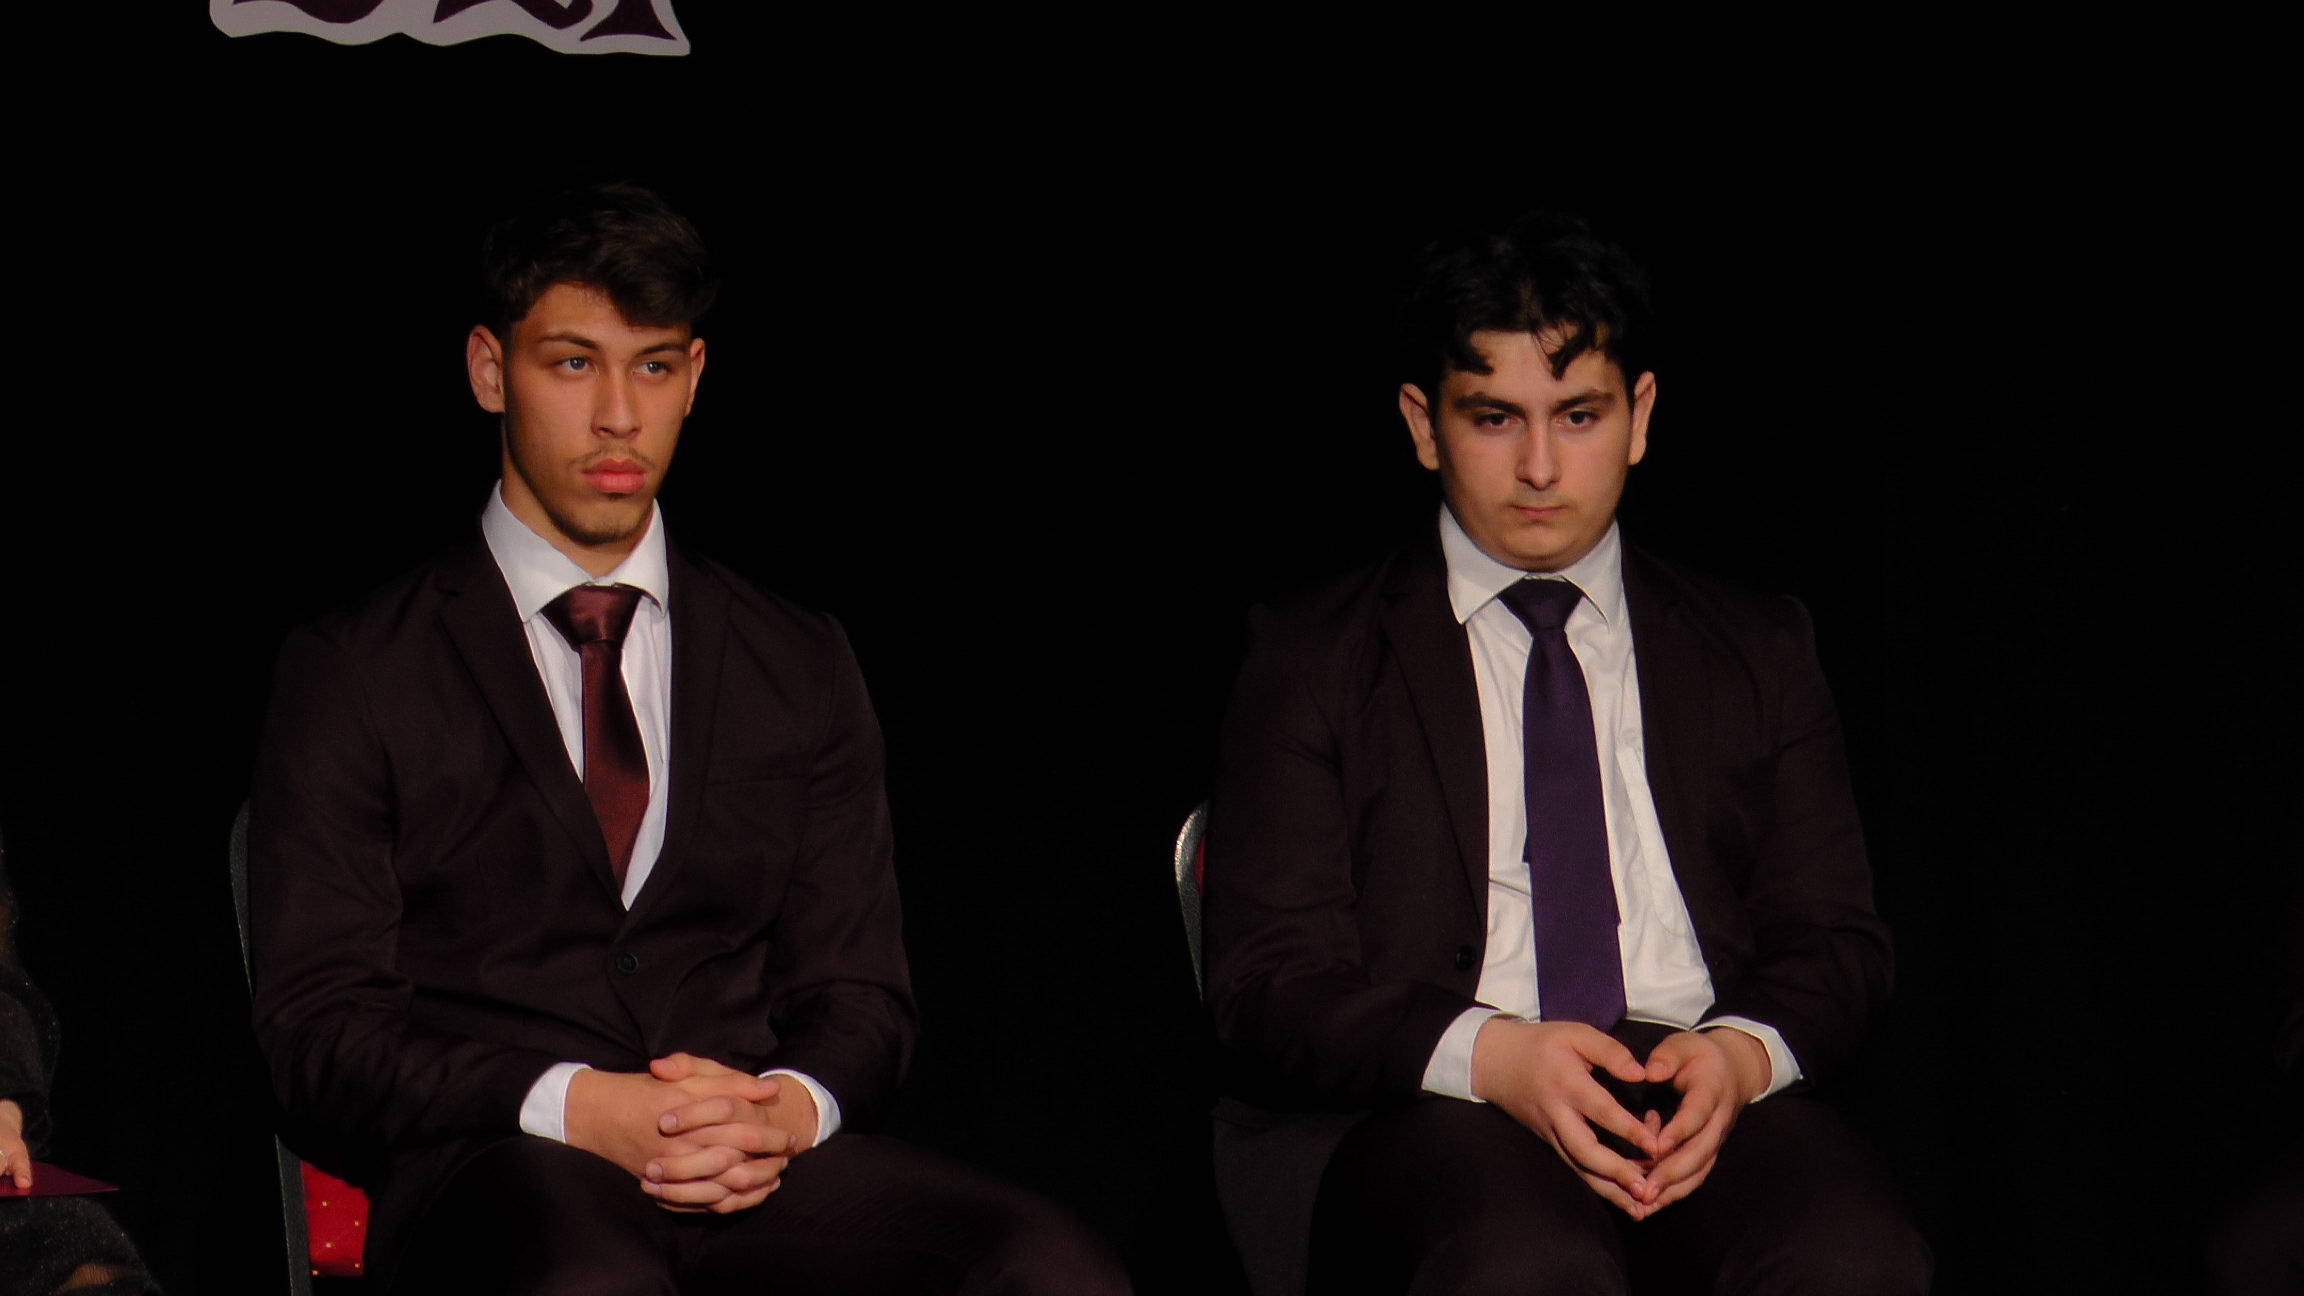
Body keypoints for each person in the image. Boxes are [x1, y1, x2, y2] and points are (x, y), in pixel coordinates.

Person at [246, 182, 1127, 1295]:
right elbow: (320, 1033)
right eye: (575, 363)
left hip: (748, 1161)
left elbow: (862, 997)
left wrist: (784, 1109)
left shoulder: (797, 657)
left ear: (695, 377)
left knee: (1049, 1267)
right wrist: (577, 1104)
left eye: (654, 366)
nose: (619, 414)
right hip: (496, 1166)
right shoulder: (357, 667)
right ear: (489, 371)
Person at [1201, 212, 1933, 1294]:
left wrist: (1740, 1054)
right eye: (1495, 418)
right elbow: (1269, 984)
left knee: (1850, 1259)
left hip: (1689, 1074)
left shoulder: (1756, 646)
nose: (1540, 467)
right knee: (1522, 1267)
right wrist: (1494, 1054)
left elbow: (1839, 943)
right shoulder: (1313, 657)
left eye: (1578, 416)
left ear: (1640, 416)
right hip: (1430, 1096)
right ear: (1423, 426)